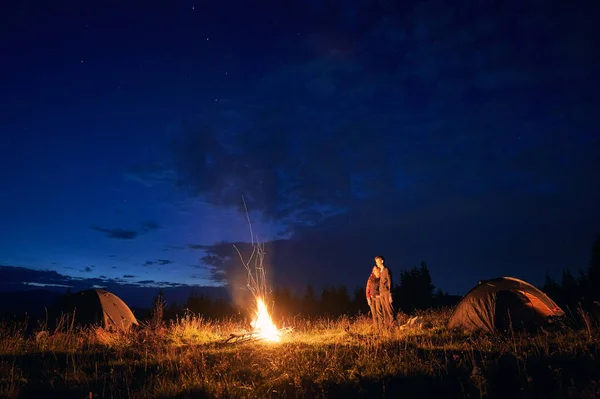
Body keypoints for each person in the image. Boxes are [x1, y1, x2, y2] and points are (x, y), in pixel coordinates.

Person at [375, 255, 395, 328]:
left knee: (389, 310)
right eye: (376, 262)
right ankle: (387, 327)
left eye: (377, 261)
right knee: (384, 311)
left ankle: (393, 327)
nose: (376, 263)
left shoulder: (386, 270)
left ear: (382, 261)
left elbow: (390, 282)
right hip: (382, 293)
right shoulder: (380, 271)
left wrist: (390, 294)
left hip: (387, 293)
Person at [365, 266, 382, 330]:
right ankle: (376, 329)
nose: (374, 271)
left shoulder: (380, 278)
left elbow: (382, 288)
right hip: (372, 298)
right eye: (373, 270)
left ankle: (381, 329)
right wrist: (368, 298)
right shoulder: (370, 279)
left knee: (379, 313)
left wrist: (380, 295)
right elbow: (367, 289)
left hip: (378, 298)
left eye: (375, 270)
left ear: (378, 270)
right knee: (374, 315)